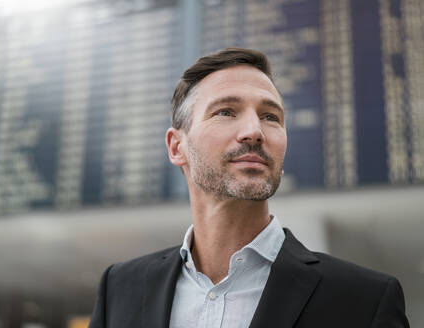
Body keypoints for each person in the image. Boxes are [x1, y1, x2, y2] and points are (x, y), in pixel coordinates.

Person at [88, 48, 409, 328]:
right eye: (225, 111)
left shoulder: (364, 300)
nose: (254, 131)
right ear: (176, 147)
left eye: (271, 117)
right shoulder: (119, 288)